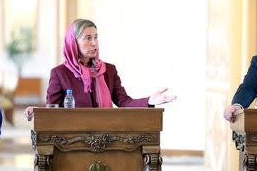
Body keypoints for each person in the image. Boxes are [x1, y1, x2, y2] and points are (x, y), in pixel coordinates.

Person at [25, 19, 175, 119]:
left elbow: (124, 102)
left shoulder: (109, 70)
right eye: (88, 38)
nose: (94, 43)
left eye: (96, 37)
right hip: (74, 140)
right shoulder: (60, 73)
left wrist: (149, 100)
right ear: (73, 42)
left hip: (107, 134)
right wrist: (38, 111)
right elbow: (53, 110)